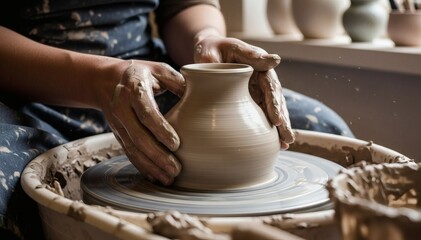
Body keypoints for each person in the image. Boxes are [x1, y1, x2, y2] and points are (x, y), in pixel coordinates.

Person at [0, 0, 353, 239]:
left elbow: (185, 6)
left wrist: (208, 42)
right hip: (27, 88)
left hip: (154, 80)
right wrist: (96, 79)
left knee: (323, 127)